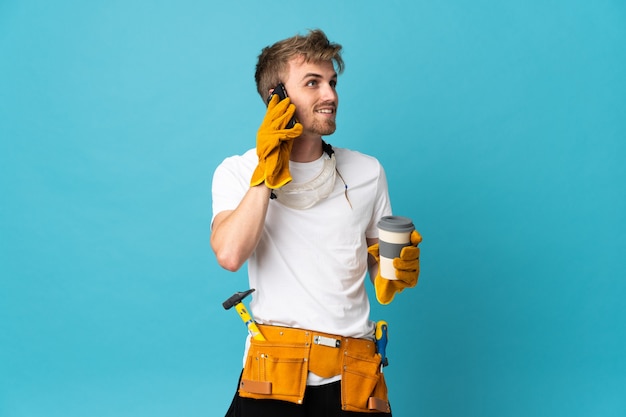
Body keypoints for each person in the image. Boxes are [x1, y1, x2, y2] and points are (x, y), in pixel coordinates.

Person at [210, 29, 422, 417]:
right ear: (277, 97)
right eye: (313, 83)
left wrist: (391, 273)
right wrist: (265, 171)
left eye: (332, 82)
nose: (331, 95)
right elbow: (229, 253)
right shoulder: (237, 171)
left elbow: (379, 261)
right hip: (274, 374)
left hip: (353, 378)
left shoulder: (367, 171)